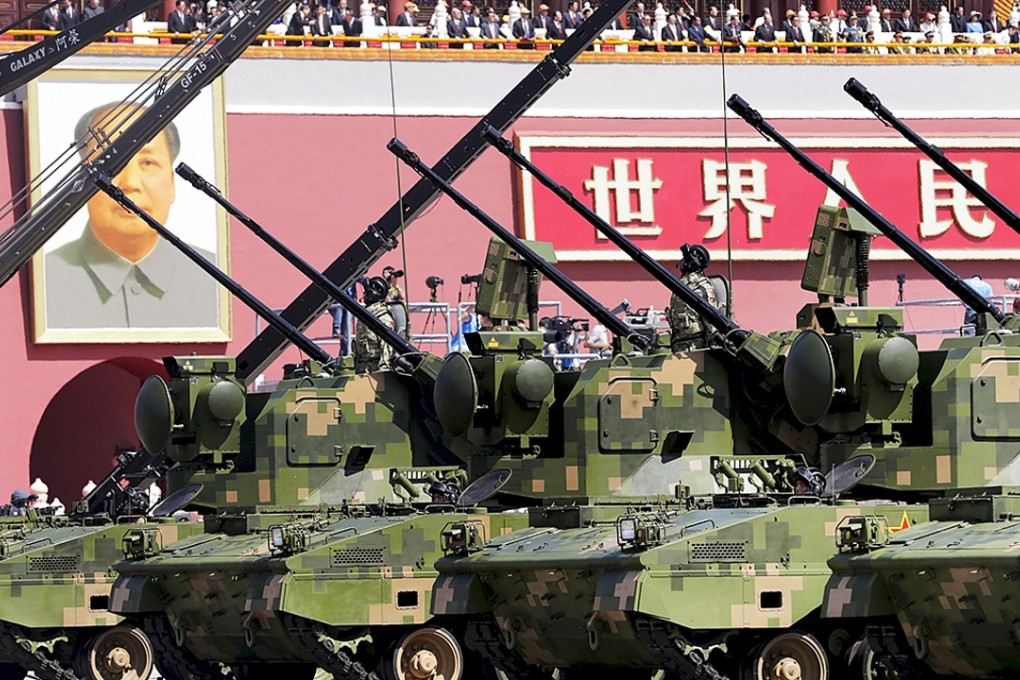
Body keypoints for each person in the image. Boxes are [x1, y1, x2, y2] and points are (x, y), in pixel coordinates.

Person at [44, 103, 220, 331]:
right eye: (111, 162)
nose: (130, 183)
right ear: (81, 180)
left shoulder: (213, 278)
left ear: (172, 183)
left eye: (148, 163)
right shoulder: (46, 279)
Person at [667, 244, 718, 353]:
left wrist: (714, 349)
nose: (682, 262)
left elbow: (712, 322)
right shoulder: (682, 284)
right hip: (678, 345)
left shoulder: (701, 287)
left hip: (695, 348)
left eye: (685, 259)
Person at [353, 276, 396, 373]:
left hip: (375, 370)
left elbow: (386, 347)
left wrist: (383, 371)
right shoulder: (367, 314)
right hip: (362, 368)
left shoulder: (382, 317)